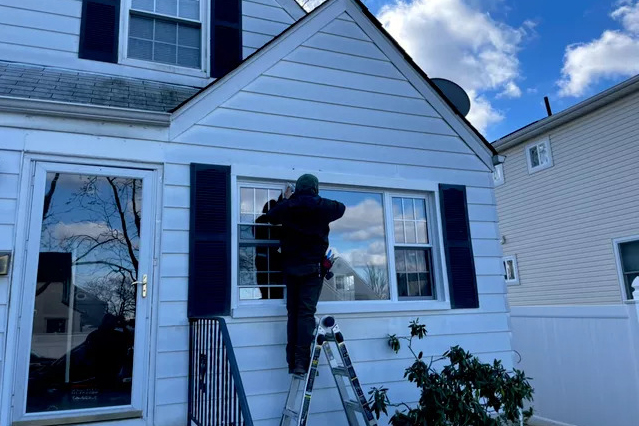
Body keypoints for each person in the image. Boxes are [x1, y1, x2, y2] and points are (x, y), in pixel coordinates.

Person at [263, 174, 345, 375]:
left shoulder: (289, 206)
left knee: (294, 313)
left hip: (291, 269)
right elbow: (340, 208)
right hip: (312, 270)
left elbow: (271, 216)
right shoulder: (322, 206)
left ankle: (293, 361)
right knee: (305, 314)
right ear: (315, 189)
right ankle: (301, 361)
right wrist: (316, 201)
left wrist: (289, 199)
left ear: (298, 189)